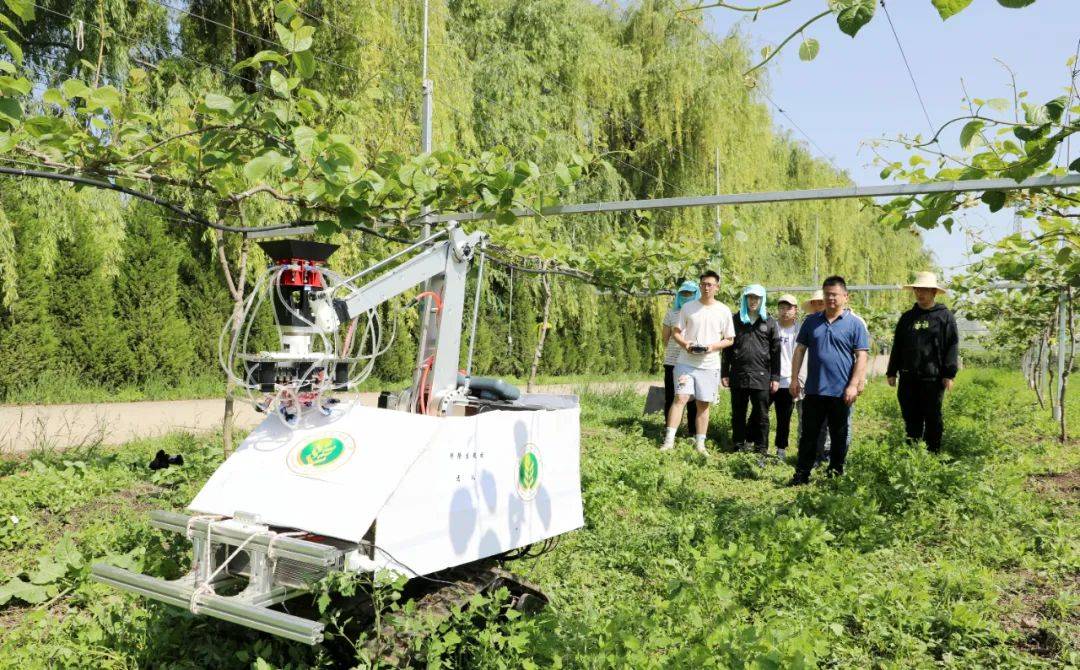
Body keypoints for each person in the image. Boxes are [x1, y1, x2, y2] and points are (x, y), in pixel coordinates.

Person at [788, 276, 869, 485]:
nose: (830, 298)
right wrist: (794, 378)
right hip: (814, 390)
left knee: (839, 435)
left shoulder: (854, 324)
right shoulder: (811, 321)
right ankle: (801, 474)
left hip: (841, 392)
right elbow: (800, 350)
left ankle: (835, 474)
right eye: (827, 294)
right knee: (809, 435)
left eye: (835, 295)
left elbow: (861, 356)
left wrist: (854, 385)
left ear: (845, 297)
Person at [662, 270, 736, 455]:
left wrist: (712, 347)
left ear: (717, 287)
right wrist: (685, 344)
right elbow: (676, 332)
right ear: (699, 286)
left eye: (710, 284)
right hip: (686, 362)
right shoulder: (688, 307)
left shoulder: (723, 310)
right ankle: (669, 441)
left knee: (703, 404)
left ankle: (700, 444)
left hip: (709, 364)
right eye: (703, 284)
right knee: (680, 398)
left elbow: (729, 339)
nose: (706, 288)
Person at [886, 271, 960, 453]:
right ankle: (913, 452)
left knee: (933, 417)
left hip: (933, 378)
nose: (920, 293)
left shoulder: (944, 317)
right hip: (908, 377)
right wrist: (891, 371)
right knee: (911, 417)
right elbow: (898, 345)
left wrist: (949, 374)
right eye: (917, 290)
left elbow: (952, 345)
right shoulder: (907, 318)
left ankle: (932, 453)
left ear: (934, 292)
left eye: (925, 290)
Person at [721, 285, 780, 458]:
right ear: (745, 299)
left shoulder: (769, 321)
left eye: (757, 298)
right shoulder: (735, 320)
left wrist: (775, 377)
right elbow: (727, 349)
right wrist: (725, 372)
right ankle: (738, 446)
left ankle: (761, 449)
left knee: (761, 415)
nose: (753, 301)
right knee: (738, 413)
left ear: (762, 300)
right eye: (750, 297)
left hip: (761, 375)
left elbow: (776, 352)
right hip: (738, 374)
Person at [662, 280, 700, 434]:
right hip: (672, 361)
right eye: (683, 293)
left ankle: (692, 432)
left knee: (693, 399)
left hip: (693, 361)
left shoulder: (699, 313)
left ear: (696, 294)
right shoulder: (671, 313)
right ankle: (669, 430)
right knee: (671, 397)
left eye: (689, 293)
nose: (686, 296)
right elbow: (665, 338)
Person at [769, 294, 801, 462]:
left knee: (784, 418)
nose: (784, 311)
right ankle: (757, 445)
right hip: (769, 379)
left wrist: (797, 380)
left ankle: (780, 449)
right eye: (781, 308)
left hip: (788, 380)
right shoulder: (771, 326)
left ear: (795, 310)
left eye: (788, 308)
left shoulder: (800, 330)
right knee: (759, 414)